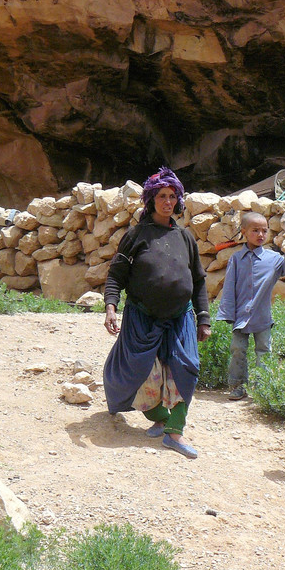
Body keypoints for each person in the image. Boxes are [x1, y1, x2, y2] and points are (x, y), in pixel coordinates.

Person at [102, 167, 211, 460]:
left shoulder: (185, 238)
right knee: (142, 373)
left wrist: (204, 319)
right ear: (151, 200)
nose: (168, 201)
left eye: (172, 196)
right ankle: (159, 417)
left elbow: (198, 281)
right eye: (162, 196)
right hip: (142, 316)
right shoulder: (136, 235)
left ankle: (174, 434)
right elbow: (116, 276)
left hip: (180, 317)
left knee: (186, 368)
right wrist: (111, 307)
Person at [217, 211, 285, 400]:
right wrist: (227, 313)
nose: (261, 235)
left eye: (264, 231)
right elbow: (228, 287)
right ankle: (237, 386)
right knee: (238, 350)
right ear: (244, 231)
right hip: (240, 317)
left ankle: (262, 388)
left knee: (264, 351)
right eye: (255, 230)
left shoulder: (273, 259)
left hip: (262, 317)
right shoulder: (236, 259)